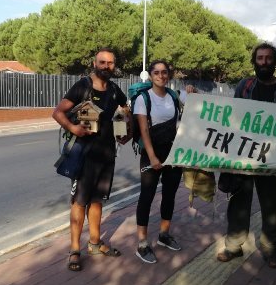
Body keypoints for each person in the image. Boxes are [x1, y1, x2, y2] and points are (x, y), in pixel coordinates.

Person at [217, 42, 276, 268]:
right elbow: (231, 115)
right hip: (242, 154)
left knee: (271, 205)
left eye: (268, 58)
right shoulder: (245, 85)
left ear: (275, 62)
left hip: (270, 157)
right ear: (254, 61)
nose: (264, 62)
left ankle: (271, 249)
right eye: (260, 58)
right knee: (238, 202)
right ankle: (233, 245)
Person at [52, 48, 130, 272]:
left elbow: (124, 112)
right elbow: (58, 112)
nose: (107, 66)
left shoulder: (115, 90)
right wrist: (74, 128)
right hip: (84, 156)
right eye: (103, 62)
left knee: (97, 201)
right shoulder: (82, 86)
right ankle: (74, 250)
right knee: (79, 202)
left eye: (110, 63)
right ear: (94, 63)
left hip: (106, 155)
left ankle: (95, 242)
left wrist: (124, 130)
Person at [133, 60, 184, 264]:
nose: (161, 76)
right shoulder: (143, 99)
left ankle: (164, 234)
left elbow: (192, 111)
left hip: (172, 152)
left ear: (168, 75)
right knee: (147, 196)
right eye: (157, 72)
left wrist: (191, 90)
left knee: (170, 194)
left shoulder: (174, 96)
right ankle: (142, 243)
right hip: (151, 152)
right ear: (151, 75)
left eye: (164, 72)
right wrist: (153, 156)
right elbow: (144, 130)